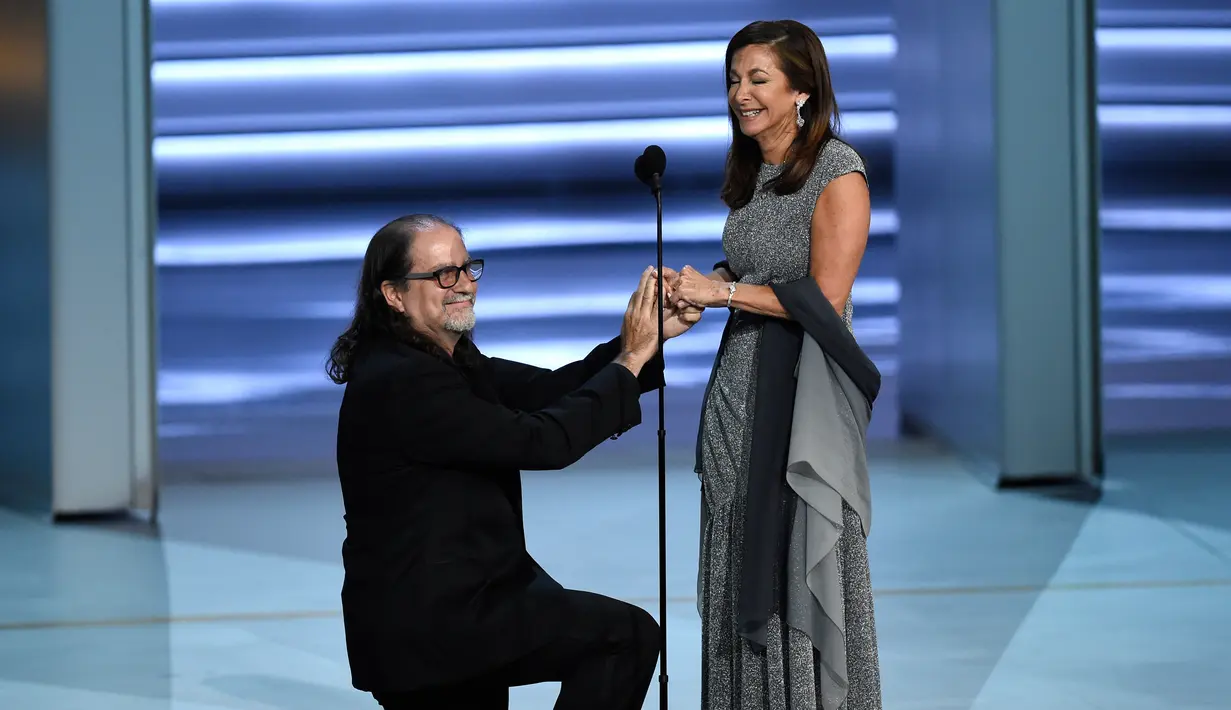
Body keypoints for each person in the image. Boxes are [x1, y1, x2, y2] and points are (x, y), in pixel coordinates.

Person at [327, 214, 701, 709]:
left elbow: (546, 392)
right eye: (443, 274)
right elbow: (542, 441)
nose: (463, 285)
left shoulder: (445, 358)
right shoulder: (402, 381)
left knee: (621, 637)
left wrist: (646, 342)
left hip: (469, 608)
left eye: (466, 269)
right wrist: (629, 363)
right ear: (393, 294)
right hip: (433, 627)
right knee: (622, 637)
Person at [663, 20, 885, 710]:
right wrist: (703, 284)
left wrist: (722, 291)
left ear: (802, 90)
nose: (740, 94)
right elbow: (764, 269)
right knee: (735, 545)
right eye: (734, 79)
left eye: (758, 79)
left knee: (797, 544)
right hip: (739, 385)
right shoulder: (754, 171)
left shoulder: (836, 171)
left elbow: (824, 298)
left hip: (800, 393)